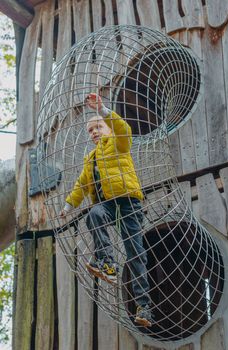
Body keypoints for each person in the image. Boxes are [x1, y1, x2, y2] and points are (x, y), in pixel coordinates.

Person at [60, 93, 153, 327]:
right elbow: (81, 184)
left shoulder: (119, 143)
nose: (95, 132)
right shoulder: (90, 158)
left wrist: (103, 110)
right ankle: (107, 263)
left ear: (108, 128)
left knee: (135, 251)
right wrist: (68, 205)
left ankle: (144, 306)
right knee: (95, 214)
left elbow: (123, 128)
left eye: (98, 127)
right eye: (91, 131)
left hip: (127, 201)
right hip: (107, 205)